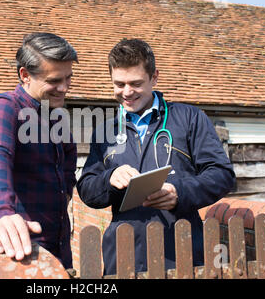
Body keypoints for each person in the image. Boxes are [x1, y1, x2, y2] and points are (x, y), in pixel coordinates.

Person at [77, 38, 236, 275]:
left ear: (154, 77)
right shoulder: (105, 131)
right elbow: (88, 190)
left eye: (136, 83)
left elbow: (222, 175)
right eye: (119, 84)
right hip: (123, 256)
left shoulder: (189, 118)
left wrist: (180, 192)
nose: (127, 92)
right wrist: (109, 177)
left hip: (181, 252)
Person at [0, 32, 78, 269]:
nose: (63, 88)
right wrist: (0, 212)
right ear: (25, 75)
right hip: (20, 252)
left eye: (68, 78)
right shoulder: (4, 107)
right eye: (54, 81)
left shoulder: (57, 117)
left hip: (59, 249)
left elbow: (68, 163)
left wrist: (65, 193)